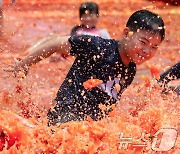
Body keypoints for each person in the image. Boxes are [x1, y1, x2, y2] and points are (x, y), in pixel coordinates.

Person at [5, 10, 165, 125]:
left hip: (92, 126)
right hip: (65, 118)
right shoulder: (98, 47)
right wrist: (24, 64)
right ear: (126, 33)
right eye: (143, 42)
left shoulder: (130, 70)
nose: (147, 51)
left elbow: (110, 104)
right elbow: (56, 43)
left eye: (154, 47)